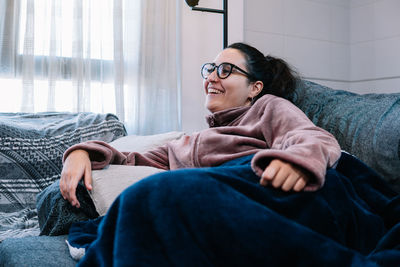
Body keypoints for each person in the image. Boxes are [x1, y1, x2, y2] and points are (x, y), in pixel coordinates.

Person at [60, 43, 399, 266]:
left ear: (255, 88)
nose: (212, 77)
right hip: (224, 198)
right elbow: (133, 159)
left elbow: (311, 137)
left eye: (225, 70)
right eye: (211, 69)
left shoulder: (269, 107)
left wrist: (295, 161)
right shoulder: (194, 140)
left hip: (284, 190)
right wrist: (82, 154)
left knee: (156, 197)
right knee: (139, 200)